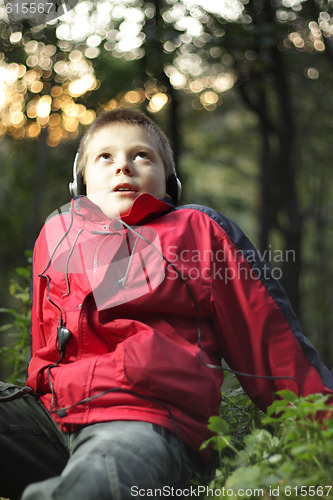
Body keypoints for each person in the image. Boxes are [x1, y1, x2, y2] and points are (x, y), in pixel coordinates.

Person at [0, 108, 332, 500]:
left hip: (146, 420)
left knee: (98, 481)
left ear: (170, 182)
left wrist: (320, 428)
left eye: (141, 155)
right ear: (80, 180)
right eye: (105, 156)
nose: (123, 165)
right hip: (53, 417)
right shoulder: (57, 232)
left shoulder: (198, 231)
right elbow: (47, 348)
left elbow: (270, 342)